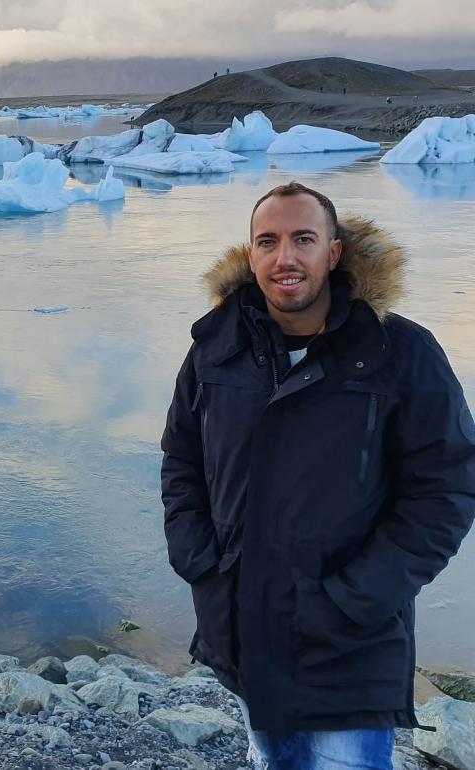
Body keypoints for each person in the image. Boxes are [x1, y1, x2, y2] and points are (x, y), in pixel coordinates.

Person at [160, 182, 475, 769]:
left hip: (350, 645)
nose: (285, 258)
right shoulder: (215, 350)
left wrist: (354, 598)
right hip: (246, 626)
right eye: (268, 241)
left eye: (303, 239)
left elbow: (446, 490)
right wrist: (198, 560)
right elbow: (181, 459)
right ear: (250, 255)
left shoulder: (400, 352)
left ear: (333, 252)